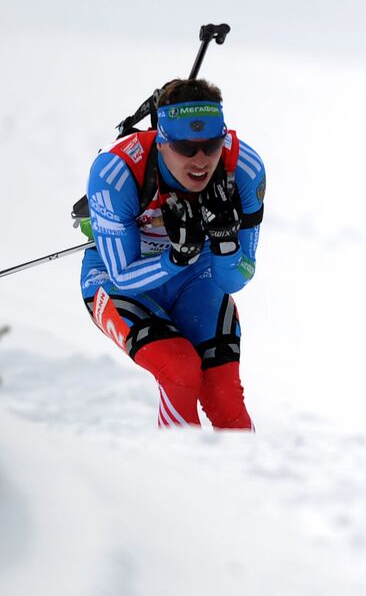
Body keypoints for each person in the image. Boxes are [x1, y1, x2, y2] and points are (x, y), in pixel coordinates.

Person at [80, 78, 265, 429]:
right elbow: (122, 275)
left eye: (211, 146)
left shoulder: (243, 169)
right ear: (162, 141)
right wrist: (174, 258)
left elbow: (236, 279)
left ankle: (246, 483)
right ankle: (180, 477)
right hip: (115, 281)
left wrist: (226, 244)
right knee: (179, 371)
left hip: (197, 276)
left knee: (224, 395)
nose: (200, 161)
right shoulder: (116, 172)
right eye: (185, 148)